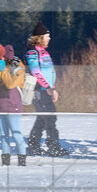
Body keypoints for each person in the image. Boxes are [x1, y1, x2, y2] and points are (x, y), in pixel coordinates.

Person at [25, 23, 69, 156]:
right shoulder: (32, 51)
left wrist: (53, 89)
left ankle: (33, 146)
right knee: (49, 118)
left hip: (46, 90)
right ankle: (53, 146)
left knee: (42, 118)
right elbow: (36, 72)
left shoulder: (43, 51)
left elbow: (49, 72)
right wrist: (48, 88)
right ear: (40, 37)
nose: (49, 38)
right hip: (39, 90)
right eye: (47, 36)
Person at [0, 44, 28, 166]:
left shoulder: (18, 70)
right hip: (1, 105)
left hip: (13, 105)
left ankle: (22, 160)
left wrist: (4, 70)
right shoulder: (1, 68)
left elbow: (10, 84)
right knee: (3, 135)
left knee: (16, 133)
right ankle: (5, 161)